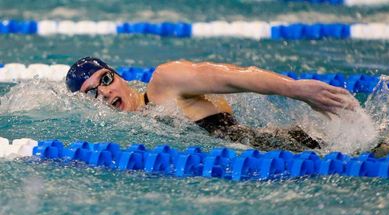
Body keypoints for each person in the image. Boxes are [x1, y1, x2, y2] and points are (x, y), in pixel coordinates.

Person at [66, 57, 359, 152]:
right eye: (91, 94)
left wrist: (295, 90)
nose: (103, 93)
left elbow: (233, 77)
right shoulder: (138, 121)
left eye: (105, 80)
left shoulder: (163, 84)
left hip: (306, 146)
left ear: (119, 76)